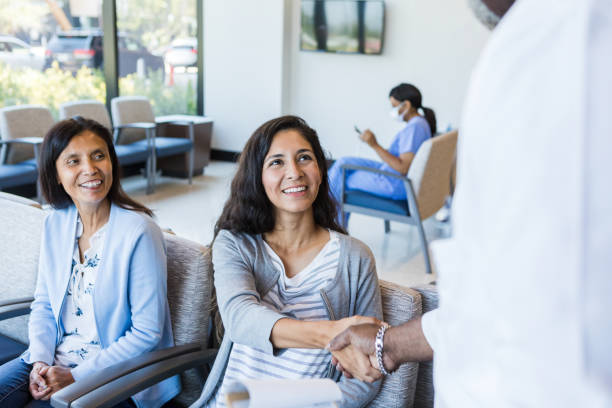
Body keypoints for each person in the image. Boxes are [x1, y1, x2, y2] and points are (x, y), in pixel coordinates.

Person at [328, 0, 612, 406]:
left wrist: (371, 145)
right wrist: (388, 345)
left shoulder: (563, 40)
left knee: (343, 168)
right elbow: (497, 298)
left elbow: (543, 322)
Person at [191, 115, 383, 408]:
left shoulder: (355, 258)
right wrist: (334, 333)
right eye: (276, 162)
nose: (294, 172)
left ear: (319, 169)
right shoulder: (236, 242)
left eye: (304, 158)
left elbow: (367, 370)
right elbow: (241, 319)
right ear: (258, 176)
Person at [0, 117, 180, 407]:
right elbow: (45, 302)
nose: (90, 169)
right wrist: (40, 362)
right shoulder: (56, 223)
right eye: (73, 161)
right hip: (54, 357)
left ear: (112, 162)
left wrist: (75, 376)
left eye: (99, 156)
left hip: (115, 374)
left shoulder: (139, 231)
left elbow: (147, 333)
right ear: (56, 174)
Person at [328, 83, 436, 225]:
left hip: (395, 183)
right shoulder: (421, 123)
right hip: (392, 174)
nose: (393, 110)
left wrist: (374, 144)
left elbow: (403, 167)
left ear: (407, 105)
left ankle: (333, 228)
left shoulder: (414, 128)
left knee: (340, 180)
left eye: (394, 106)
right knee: (343, 163)